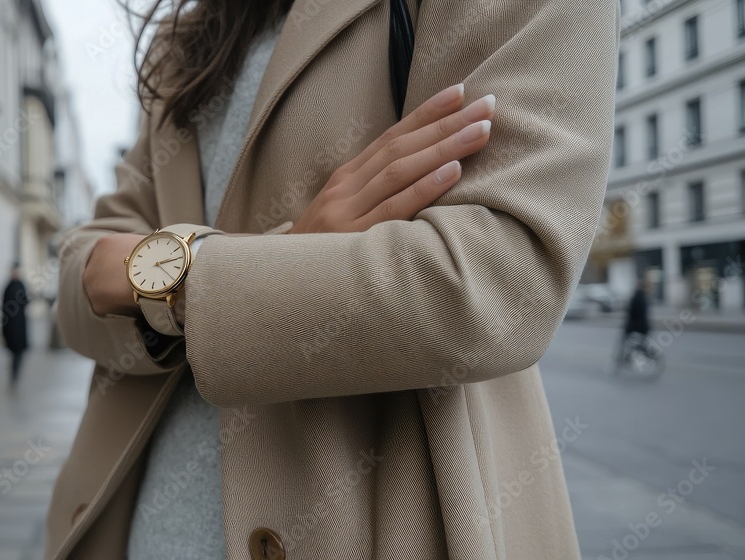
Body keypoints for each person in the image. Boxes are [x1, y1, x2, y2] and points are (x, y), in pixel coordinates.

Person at [46, 0, 618, 559]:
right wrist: (275, 261)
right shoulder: (187, 42)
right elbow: (85, 276)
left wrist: (174, 281)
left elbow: (497, 285)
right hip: (147, 524)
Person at [1, 263, 29, 386]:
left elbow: (25, 301)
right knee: (14, 350)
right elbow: (3, 307)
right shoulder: (8, 287)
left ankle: (16, 372)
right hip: (11, 324)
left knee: (20, 351)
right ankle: (13, 374)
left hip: (20, 323)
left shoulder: (21, 285)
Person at [617, 278, 651, 369]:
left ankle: (624, 358)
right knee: (639, 343)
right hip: (644, 327)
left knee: (625, 342)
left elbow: (631, 312)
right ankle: (634, 355)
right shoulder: (644, 297)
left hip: (634, 326)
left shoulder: (636, 297)